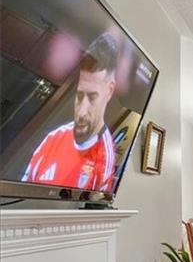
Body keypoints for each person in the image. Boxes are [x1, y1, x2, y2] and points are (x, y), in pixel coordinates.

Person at [22, 34, 120, 192]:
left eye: (92, 97)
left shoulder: (104, 158)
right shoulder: (53, 138)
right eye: (80, 96)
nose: (81, 112)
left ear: (109, 91)